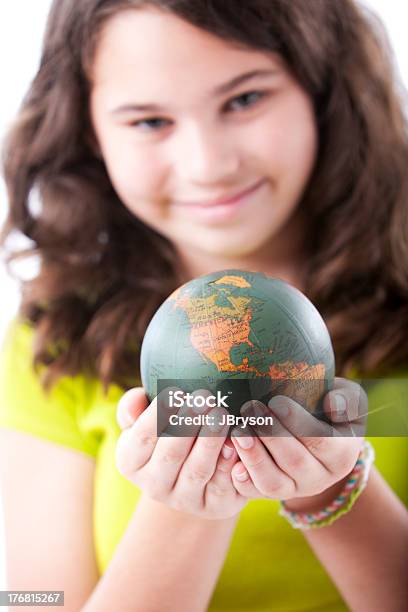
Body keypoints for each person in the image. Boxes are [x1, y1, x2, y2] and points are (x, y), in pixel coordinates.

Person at [0, 0, 407, 610]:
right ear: (88, 132)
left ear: (325, 89)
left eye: (244, 100)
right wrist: (187, 506)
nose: (208, 165)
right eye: (148, 122)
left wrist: (334, 494)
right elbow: (37, 601)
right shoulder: (57, 343)